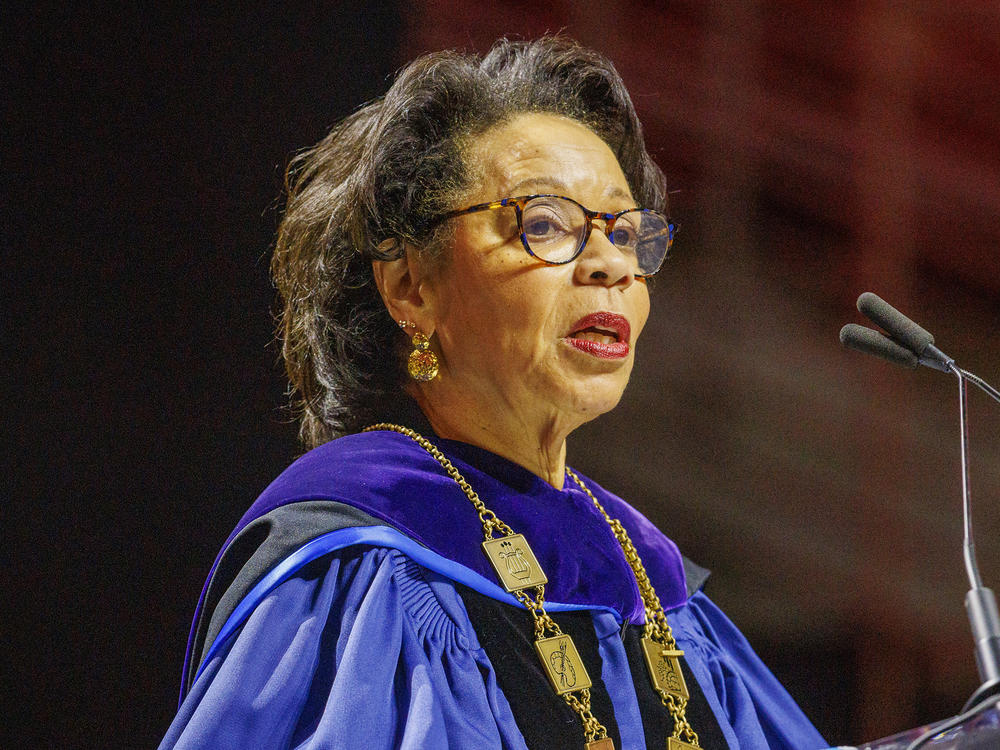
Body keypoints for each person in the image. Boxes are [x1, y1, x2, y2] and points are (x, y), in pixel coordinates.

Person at [160, 37, 828, 750]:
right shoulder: (357, 560)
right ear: (410, 288)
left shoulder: (653, 582)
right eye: (545, 224)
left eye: (627, 234)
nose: (608, 264)